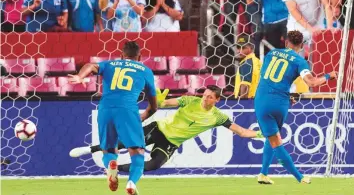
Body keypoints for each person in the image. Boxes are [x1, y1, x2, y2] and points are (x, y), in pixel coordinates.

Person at [70, 85, 264, 172]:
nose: (205, 98)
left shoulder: (218, 117)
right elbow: (170, 103)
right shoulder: (190, 100)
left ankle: (114, 168)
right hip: (159, 128)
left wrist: (259, 134)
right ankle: (89, 149)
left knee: (154, 165)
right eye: (204, 95)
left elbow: (240, 131)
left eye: (209, 97)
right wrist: (160, 101)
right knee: (122, 144)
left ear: (217, 100)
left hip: (171, 142)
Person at [68, 41, 158, 195]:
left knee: (108, 149)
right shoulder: (145, 70)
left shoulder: (110, 64)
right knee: (137, 151)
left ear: (121, 55)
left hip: (106, 109)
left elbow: (90, 65)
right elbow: (154, 106)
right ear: (140, 56)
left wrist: (79, 76)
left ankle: (111, 164)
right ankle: (131, 183)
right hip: (128, 109)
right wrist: (144, 116)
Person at [255, 30, 337, 184]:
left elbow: (267, 78)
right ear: (301, 46)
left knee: (273, 137)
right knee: (274, 138)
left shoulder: (271, 54)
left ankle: (263, 174)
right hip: (280, 103)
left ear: (286, 42)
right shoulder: (300, 61)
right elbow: (312, 82)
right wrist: (328, 76)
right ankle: (299, 177)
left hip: (262, 100)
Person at [234, 34, 261, 98]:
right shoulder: (257, 61)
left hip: (248, 102)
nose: (239, 51)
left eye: (243, 48)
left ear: (251, 48)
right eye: (238, 47)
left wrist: (242, 103)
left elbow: (245, 86)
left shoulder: (246, 63)